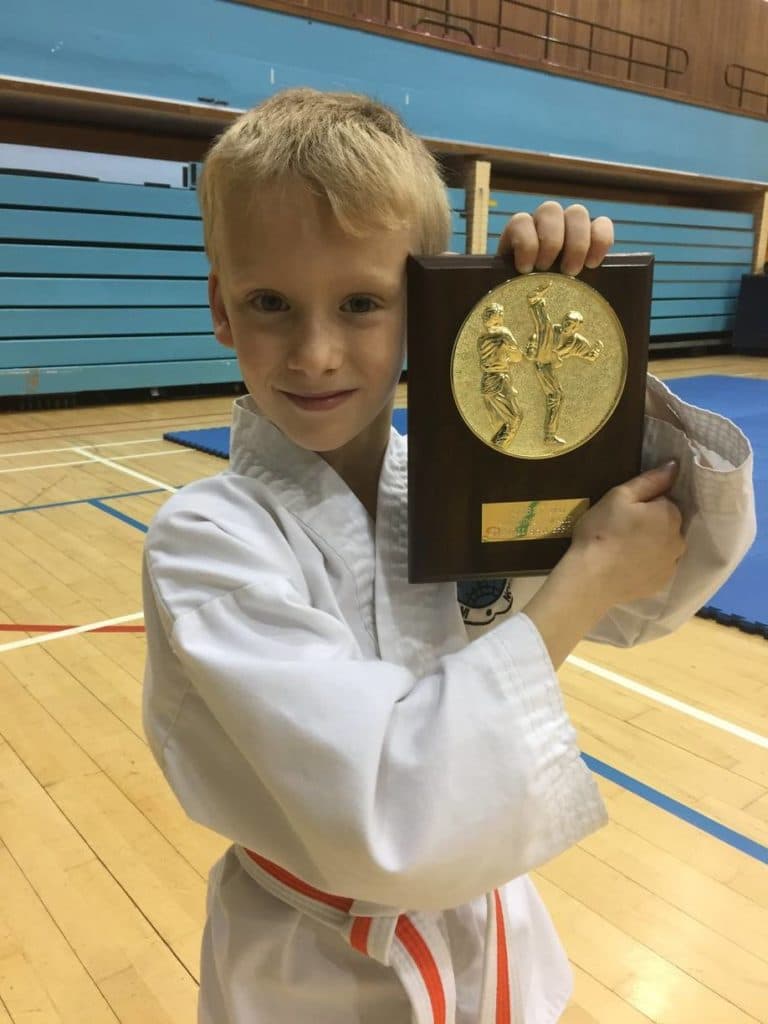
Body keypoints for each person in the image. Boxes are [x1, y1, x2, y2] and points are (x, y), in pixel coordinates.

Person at [141, 88, 756, 1024]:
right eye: (271, 303)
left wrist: (561, 312)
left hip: (492, 935)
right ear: (222, 308)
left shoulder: (466, 482)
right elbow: (383, 811)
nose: (315, 353)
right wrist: (583, 580)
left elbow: (657, 588)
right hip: (312, 974)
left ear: (426, 309)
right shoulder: (207, 542)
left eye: (362, 303)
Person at [524, 281, 603, 444]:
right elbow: (537, 336)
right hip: (542, 361)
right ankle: (535, 301)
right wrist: (532, 346)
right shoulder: (554, 331)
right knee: (546, 328)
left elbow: (589, 356)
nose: (567, 325)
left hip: (550, 364)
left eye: (571, 325)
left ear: (576, 328)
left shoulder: (577, 342)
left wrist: (595, 352)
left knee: (557, 396)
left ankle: (549, 435)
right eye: (566, 321)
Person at [476, 302, 524, 448]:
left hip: (486, 382)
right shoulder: (503, 332)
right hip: (499, 381)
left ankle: (496, 451)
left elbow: (490, 359)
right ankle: (500, 449)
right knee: (515, 418)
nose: (502, 316)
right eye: (501, 313)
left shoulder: (481, 338)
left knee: (500, 424)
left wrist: (504, 359)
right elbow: (517, 357)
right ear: (496, 315)